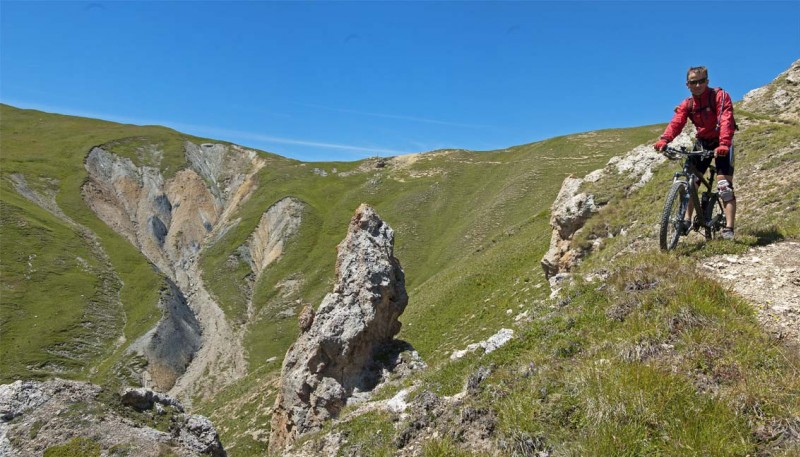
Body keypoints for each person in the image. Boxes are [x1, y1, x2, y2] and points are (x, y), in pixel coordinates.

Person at [654, 66, 737, 240]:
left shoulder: (719, 96)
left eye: (701, 81)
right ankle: (686, 219)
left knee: (724, 188)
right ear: (687, 84)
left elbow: (726, 119)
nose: (698, 85)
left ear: (707, 81)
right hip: (702, 143)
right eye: (694, 82)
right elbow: (677, 122)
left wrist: (723, 144)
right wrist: (665, 140)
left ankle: (729, 228)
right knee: (691, 183)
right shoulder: (688, 104)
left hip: (721, 143)